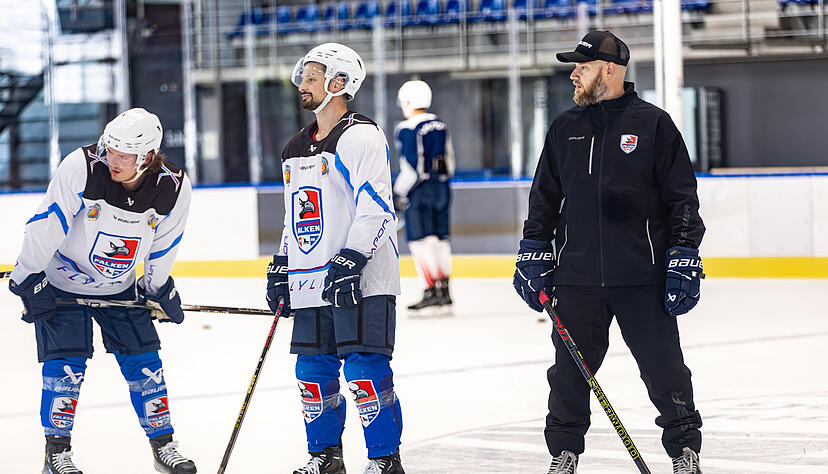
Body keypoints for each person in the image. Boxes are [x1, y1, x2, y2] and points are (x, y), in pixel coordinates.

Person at [513, 31, 706, 474]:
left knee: (666, 371)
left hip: (643, 276)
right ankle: (564, 452)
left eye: (582, 66)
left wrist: (683, 254)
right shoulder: (565, 127)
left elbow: (682, 200)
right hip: (577, 278)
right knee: (567, 376)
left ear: (611, 70)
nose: (574, 74)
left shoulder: (653, 125)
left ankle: (684, 452)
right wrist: (533, 249)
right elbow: (544, 198)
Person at [7, 108, 197, 473]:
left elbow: (164, 244)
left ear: (148, 157)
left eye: (123, 155)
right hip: (62, 281)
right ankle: (56, 454)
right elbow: (48, 223)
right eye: (109, 150)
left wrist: (156, 288)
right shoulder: (82, 165)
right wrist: (29, 276)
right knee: (65, 366)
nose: (112, 160)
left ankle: (163, 445)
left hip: (120, 288)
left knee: (146, 365)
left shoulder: (173, 185)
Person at [265, 43, 405, 474]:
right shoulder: (295, 148)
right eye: (304, 77)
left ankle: (384, 461)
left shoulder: (361, 135)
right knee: (312, 373)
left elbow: (378, 207)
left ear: (338, 83)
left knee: (365, 372)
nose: (302, 85)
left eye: (312, 77)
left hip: (361, 280)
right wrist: (282, 262)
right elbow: (298, 215)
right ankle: (324, 457)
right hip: (312, 282)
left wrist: (351, 259)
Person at [393, 80, 455, 312]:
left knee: (421, 241)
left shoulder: (408, 128)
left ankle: (430, 289)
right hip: (441, 188)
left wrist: (398, 191)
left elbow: (411, 167)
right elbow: (449, 160)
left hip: (420, 190)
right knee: (440, 240)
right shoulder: (440, 125)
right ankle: (445, 291)